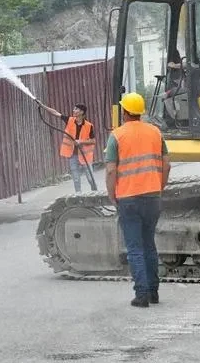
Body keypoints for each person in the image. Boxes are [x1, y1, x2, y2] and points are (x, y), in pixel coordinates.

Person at [104, 92, 170, 307]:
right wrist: (159, 186)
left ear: (124, 112)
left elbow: (111, 170)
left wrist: (112, 193)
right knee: (149, 245)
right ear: (140, 112)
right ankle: (153, 292)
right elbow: (166, 164)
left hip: (129, 198)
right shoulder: (155, 132)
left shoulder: (117, 135)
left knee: (134, 248)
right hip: (152, 197)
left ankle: (141, 295)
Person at [38, 102, 96, 193]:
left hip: (85, 156)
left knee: (90, 178)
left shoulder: (89, 126)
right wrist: (43, 106)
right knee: (76, 179)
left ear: (81, 112)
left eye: (76, 109)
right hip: (72, 155)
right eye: (74, 108)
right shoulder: (69, 120)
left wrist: (81, 141)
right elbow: (55, 113)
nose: (73, 110)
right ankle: (78, 197)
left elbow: (93, 141)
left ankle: (95, 196)